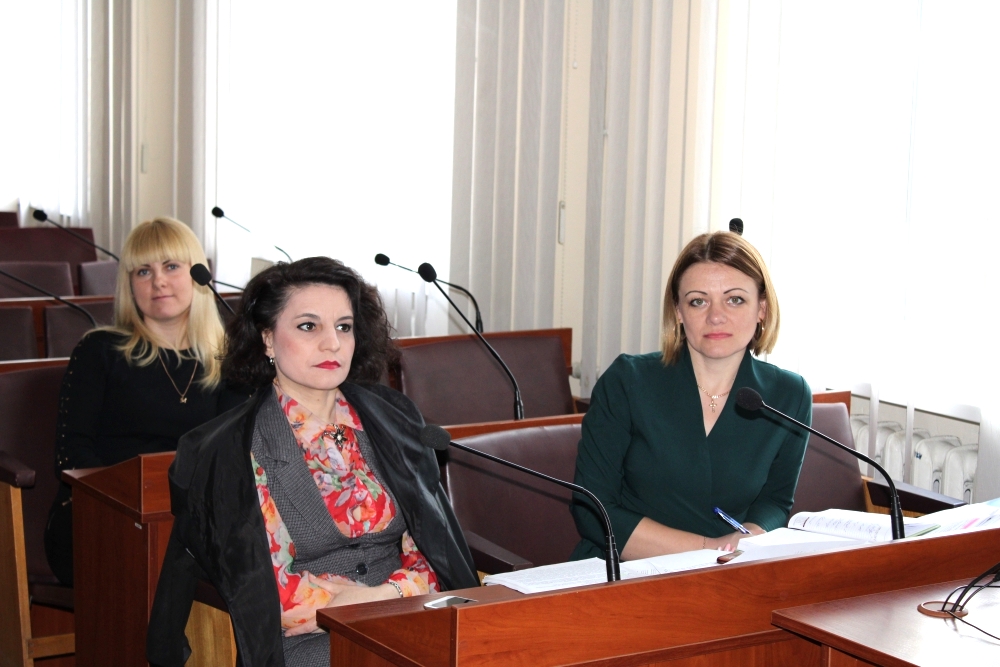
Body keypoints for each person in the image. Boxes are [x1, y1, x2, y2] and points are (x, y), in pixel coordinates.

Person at [147, 257, 479, 667]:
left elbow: (432, 551)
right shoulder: (233, 448)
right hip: (312, 641)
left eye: (344, 327)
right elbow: (266, 593)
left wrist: (383, 596)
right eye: (308, 326)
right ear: (268, 339)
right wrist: (368, 605)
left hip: (410, 618)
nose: (332, 343)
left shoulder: (393, 417)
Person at [571, 231, 811, 562]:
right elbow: (592, 509)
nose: (716, 316)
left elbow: (775, 501)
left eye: (735, 299)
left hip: (731, 570)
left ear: (762, 309)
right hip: (623, 569)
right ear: (679, 312)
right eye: (698, 301)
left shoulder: (789, 394)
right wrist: (708, 549)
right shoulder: (628, 381)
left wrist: (751, 537)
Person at [44, 217, 248, 586]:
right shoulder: (98, 350)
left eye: (171, 266)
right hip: (102, 517)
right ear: (129, 285)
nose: (158, 281)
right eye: (143, 271)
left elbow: (232, 457)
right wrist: (135, 498)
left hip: (197, 522)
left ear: (197, 275)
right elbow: (71, 455)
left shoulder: (227, 360)